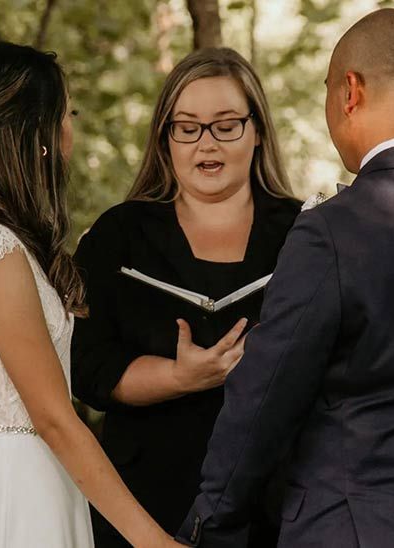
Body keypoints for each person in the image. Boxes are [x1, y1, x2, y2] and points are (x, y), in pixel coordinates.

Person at [176, 9, 394, 548]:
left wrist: (212, 521)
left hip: (353, 530)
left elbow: (266, 397)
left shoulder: (331, 232)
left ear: (349, 92)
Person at [0, 41, 179, 548]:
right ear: (38, 134)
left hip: (24, 481)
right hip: (21, 494)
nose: (70, 130)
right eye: (66, 113)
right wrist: (154, 541)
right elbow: (55, 418)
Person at [71, 47, 302, 548]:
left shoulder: (306, 235)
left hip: (277, 507)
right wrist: (181, 377)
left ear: (257, 130)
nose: (206, 143)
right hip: (146, 504)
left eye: (226, 125)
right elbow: (88, 370)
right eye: (188, 126)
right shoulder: (119, 236)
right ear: (165, 137)